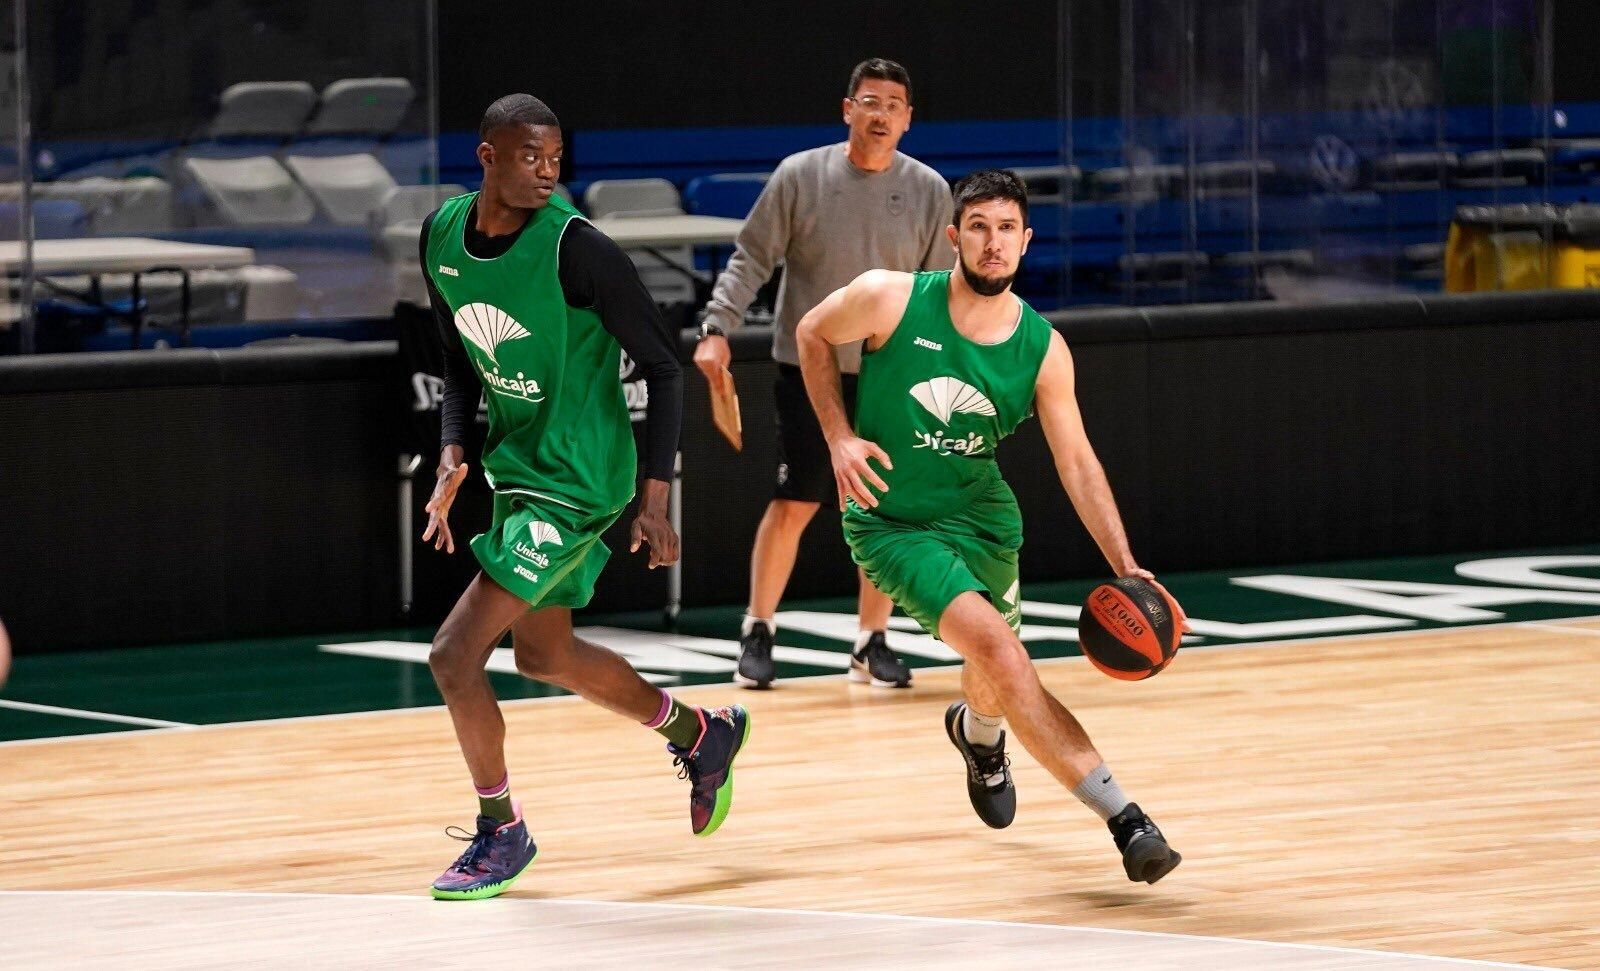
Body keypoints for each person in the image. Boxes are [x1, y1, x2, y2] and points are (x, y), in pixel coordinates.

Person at [795, 169, 1187, 884]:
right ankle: (1127, 818)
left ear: (1026, 241)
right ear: (954, 237)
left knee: (991, 675)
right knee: (1005, 654)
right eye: (978, 226)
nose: (993, 241)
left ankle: (977, 734)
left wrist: (1127, 564)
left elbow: (1077, 462)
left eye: (1007, 228)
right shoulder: (890, 296)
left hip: (981, 517)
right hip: (891, 523)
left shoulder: (1043, 349)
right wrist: (837, 436)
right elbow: (811, 332)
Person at [418, 94, 750, 901]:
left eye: (556, 158)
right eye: (529, 156)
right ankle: (701, 736)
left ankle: (503, 829)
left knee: (454, 656)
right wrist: (454, 446)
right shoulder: (441, 238)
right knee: (545, 655)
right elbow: (459, 358)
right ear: (487, 155)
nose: (546, 172)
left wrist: (655, 498)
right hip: (518, 469)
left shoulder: (580, 250)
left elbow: (666, 368)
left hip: (577, 480)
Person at [694, 58, 953, 690]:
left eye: (894, 104)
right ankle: (757, 629)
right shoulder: (801, 176)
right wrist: (716, 328)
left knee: (883, 511)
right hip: (810, 370)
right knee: (794, 502)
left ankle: (872, 641)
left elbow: (940, 290)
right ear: (848, 110)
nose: (881, 113)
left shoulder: (929, 190)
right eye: (869, 101)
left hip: (892, 372)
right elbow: (751, 258)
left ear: (908, 118)